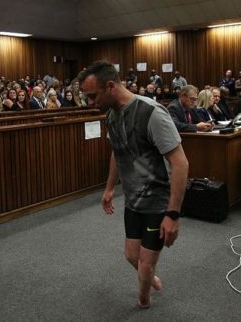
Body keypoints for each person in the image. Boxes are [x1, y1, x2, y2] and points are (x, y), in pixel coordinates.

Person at [78, 60, 189, 309]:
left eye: (93, 96)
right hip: (133, 199)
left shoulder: (152, 112)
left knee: (146, 264)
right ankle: (148, 278)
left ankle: (143, 300)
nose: (90, 102)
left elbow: (180, 163)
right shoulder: (112, 115)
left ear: (110, 86)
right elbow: (117, 152)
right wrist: (108, 188)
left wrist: (173, 214)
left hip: (157, 202)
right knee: (131, 256)